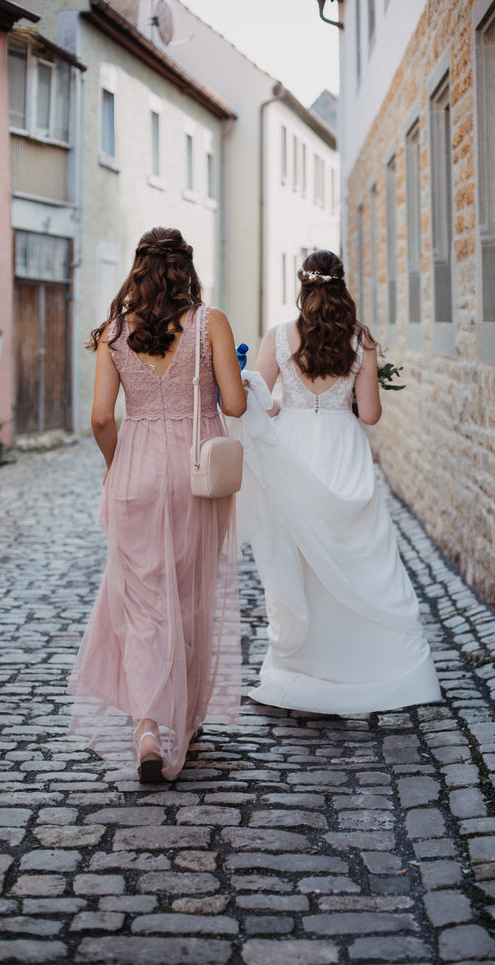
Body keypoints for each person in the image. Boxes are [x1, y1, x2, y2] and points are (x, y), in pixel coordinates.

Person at [66, 227, 246, 782]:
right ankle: (186, 721)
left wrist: (112, 464)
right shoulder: (209, 322)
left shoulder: (114, 332)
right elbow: (235, 402)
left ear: (139, 269)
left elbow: (100, 417)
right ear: (186, 269)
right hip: (195, 471)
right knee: (191, 595)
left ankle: (146, 727)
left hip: (136, 469)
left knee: (142, 602)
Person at [229, 250, 441, 714]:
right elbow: (369, 414)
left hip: (295, 452)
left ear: (302, 287)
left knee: (299, 557)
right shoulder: (360, 340)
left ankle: (303, 667)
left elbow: (257, 400)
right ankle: (367, 662)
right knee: (357, 554)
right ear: (342, 286)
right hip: (343, 451)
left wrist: (285, 404)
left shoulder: (279, 337)